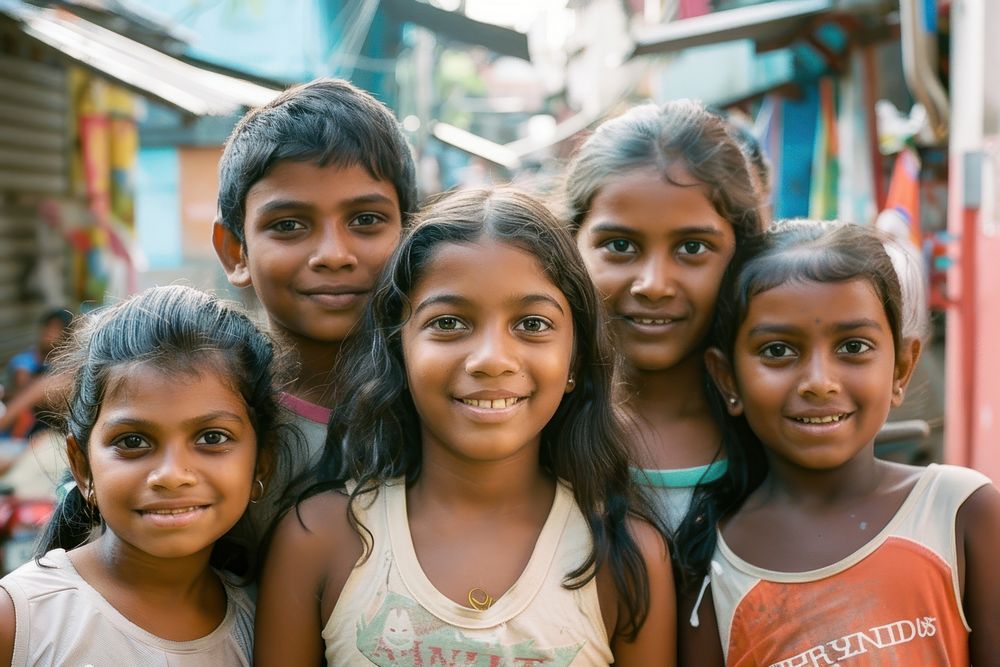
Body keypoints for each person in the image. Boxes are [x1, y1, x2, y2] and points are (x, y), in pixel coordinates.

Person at [255, 189, 676, 665]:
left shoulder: (625, 557)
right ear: (399, 349)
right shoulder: (322, 538)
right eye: (450, 322)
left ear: (575, 356)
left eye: (533, 324)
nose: (492, 359)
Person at [702, 219, 1000, 664]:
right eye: (778, 351)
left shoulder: (959, 513)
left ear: (901, 368)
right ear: (728, 378)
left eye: (854, 347)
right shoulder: (715, 570)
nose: (820, 382)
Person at [0, 285, 284, 665]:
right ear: (82, 467)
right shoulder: (20, 622)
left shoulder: (267, 627)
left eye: (211, 437)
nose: (171, 475)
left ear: (261, 463)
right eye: (133, 441)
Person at [563, 100, 764, 633]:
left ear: (742, 255)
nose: (653, 283)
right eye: (620, 245)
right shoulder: (534, 426)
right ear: (569, 246)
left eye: (692, 247)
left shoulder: (778, 431)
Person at [212, 77, 418, 526]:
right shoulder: (209, 419)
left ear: (410, 232)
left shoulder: (443, 406)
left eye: (365, 220)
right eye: (288, 225)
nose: (333, 255)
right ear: (235, 251)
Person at [1, 308, 71, 438]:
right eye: (48, 327)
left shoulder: (62, 371)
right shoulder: (25, 360)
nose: (49, 333)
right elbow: (23, 384)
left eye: (56, 329)